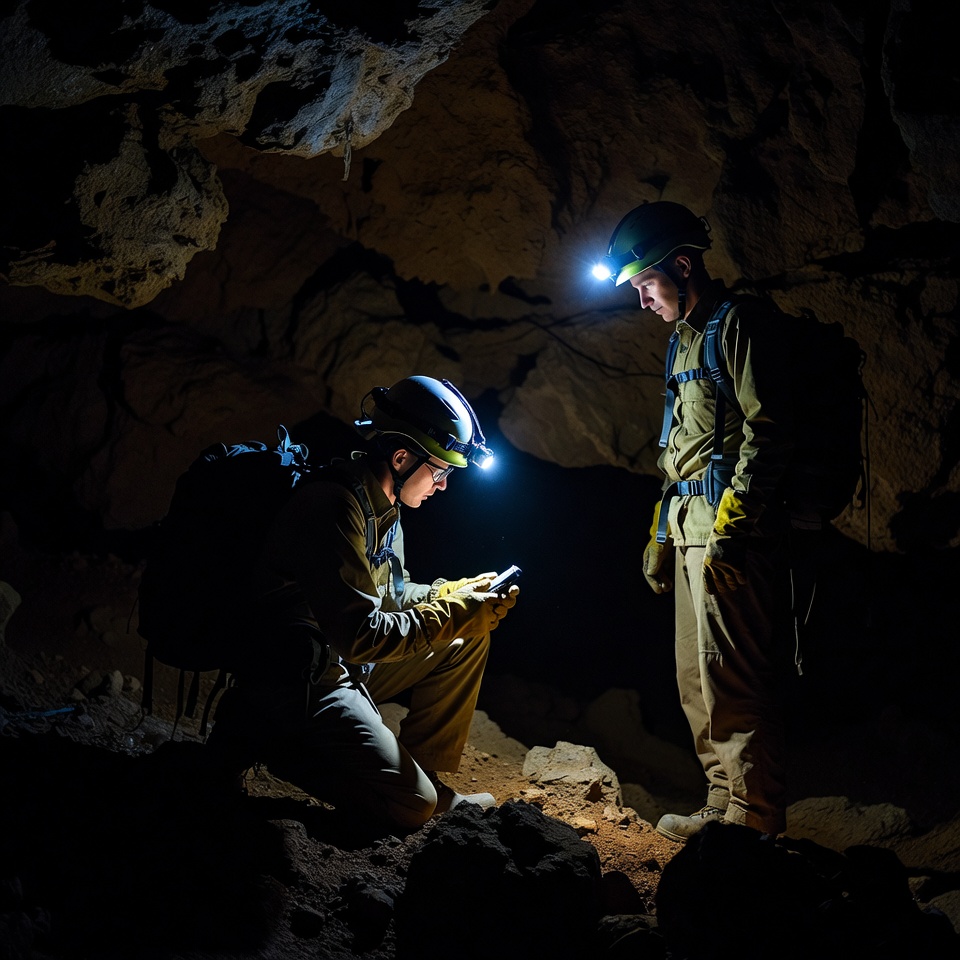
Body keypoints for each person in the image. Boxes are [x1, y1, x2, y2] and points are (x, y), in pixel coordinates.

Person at [205, 375, 519, 831]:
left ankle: (425, 774)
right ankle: (275, 744)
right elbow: (362, 635)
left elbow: (391, 597)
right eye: (440, 471)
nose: (443, 486)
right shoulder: (334, 507)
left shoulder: (383, 508)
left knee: (467, 635)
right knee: (412, 807)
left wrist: (454, 593)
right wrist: (453, 612)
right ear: (402, 457)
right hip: (303, 681)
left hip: (344, 666)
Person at [595, 201, 794, 841]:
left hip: (727, 534)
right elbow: (680, 449)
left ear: (682, 266)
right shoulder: (684, 339)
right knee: (694, 677)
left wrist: (735, 529)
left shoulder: (736, 326)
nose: (642, 301)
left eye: (646, 284)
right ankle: (721, 798)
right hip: (689, 530)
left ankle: (753, 818)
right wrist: (661, 532)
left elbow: (767, 433)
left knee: (730, 677)